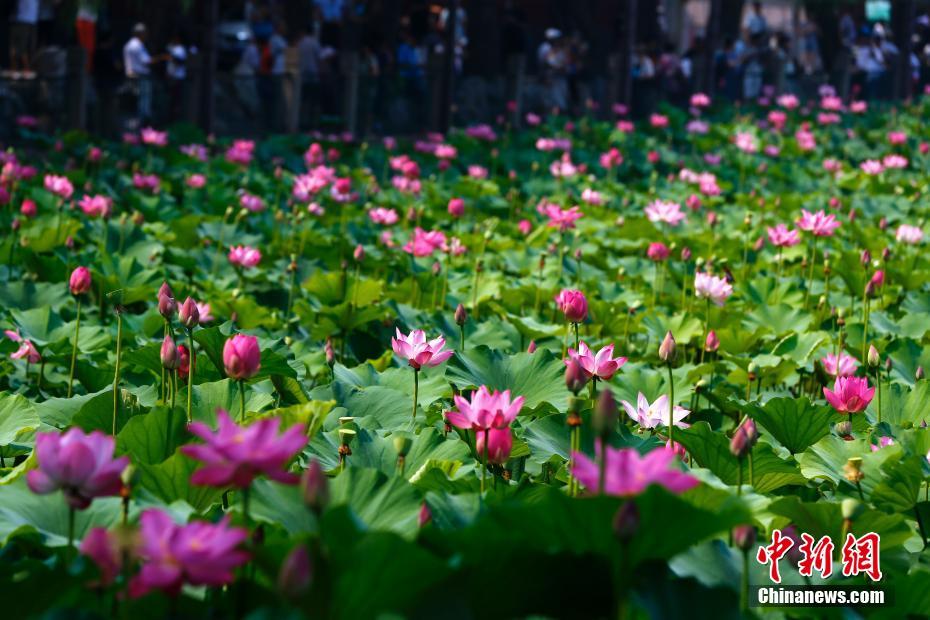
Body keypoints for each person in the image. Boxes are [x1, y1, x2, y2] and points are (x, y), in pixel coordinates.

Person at [123, 23, 165, 124]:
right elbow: (146, 61)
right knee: (143, 102)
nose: (146, 35)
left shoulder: (129, 45)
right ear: (140, 33)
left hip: (132, 75)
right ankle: (142, 124)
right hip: (140, 76)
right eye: (145, 33)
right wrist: (162, 57)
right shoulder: (137, 45)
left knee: (134, 102)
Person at [9, 0, 40, 73]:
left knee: (30, 46)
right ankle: (22, 68)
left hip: (32, 20)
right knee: (21, 47)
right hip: (21, 19)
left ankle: (27, 68)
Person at [75, 0, 99, 73]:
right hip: (82, 20)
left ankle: (87, 69)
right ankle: (84, 69)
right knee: (84, 46)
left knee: (89, 47)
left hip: (89, 21)